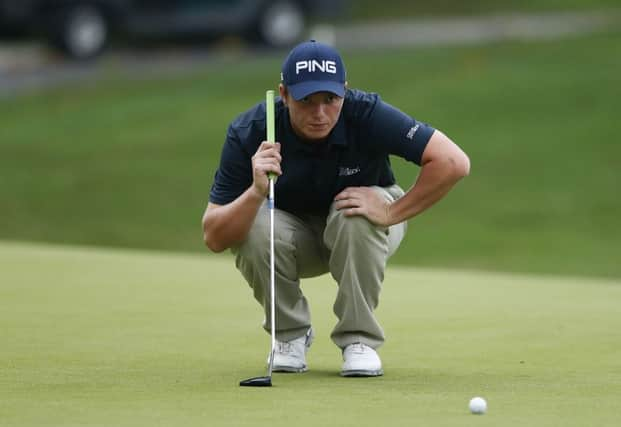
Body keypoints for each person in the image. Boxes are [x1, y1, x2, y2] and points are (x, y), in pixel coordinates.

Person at [202, 40, 470, 377]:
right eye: (306, 101)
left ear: (345, 91)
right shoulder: (251, 130)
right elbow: (214, 235)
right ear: (283, 95)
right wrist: (256, 192)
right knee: (251, 223)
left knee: (353, 212)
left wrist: (391, 211)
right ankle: (289, 336)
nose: (320, 113)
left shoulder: (367, 113)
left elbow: (453, 162)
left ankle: (359, 340)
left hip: (364, 228)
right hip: (294, 237)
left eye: (331, 100)